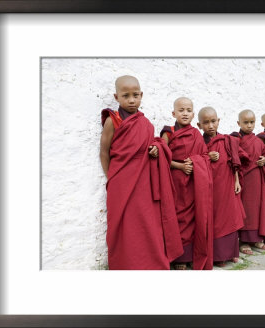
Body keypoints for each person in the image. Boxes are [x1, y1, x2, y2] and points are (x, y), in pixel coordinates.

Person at [100, 75, 183, 270]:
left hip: (143, 181)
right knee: (123, 223)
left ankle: (148, 262)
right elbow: (104, 152)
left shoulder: (145, 123)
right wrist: (111, 178)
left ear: (141, 95)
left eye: (135, 95)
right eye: (125, 95)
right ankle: (124, 263)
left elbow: (151, 144)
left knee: (145, 222)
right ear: (116, 96)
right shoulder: (113, 121)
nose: (131, 100)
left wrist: (155, 149)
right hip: (121, 179)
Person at [161, 97, 213, 270]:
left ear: (193, 114)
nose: (185, 113)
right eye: (181, 110)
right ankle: (177, 257)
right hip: (174, 182)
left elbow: (204, 156)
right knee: (176, 217)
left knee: (192, 218)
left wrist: (197, 162)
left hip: (193, 183)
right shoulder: (168, 132)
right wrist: (181, 166)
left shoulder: (196, 134)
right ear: (173, 113)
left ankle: (190, 255)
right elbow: (162, 157)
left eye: (188, 110)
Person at [197, 106, 245, 267]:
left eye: (213, 121)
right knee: (216, 220)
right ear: (199, 125)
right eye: (206, 123)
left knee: (231, 217)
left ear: (218, 121)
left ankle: (231, 253)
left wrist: (237, 181)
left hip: (228, 183)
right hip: (210, 187)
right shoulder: (199, 141)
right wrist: (206, 157)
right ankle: (218, 255)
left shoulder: (227, 140)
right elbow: (194, 159)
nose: (210, 126)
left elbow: (234, 162)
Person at [231, 110, 265, 254]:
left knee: (259, 209)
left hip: (258, 180)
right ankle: (244, 241)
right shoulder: (235, 139)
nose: (249, 125)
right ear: (238, 123)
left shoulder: (258, 140)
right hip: (244, 180)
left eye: (251, 122)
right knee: (247, 210)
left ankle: (257, 239)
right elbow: (233, 158)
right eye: (245, 122)